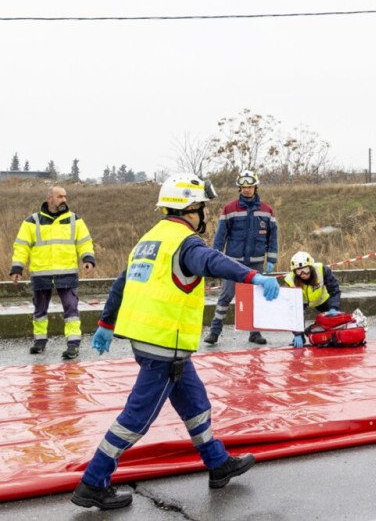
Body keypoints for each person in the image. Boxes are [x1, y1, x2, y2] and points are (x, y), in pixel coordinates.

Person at [71, 174, 280, 510]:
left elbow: (121, 284)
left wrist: (106, 323)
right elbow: (213, 261)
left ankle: (217, 464)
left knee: (196, 404)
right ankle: (93, 482)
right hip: (165, 347)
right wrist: (252, 276)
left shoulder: (149, 240)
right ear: (191, 208)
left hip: (153, 342)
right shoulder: (187, 243)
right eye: (204, 208)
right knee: (135, 419)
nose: (207, 214)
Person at [10, 186, 95, 359]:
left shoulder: (74, 220)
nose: (64, 200)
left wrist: (88, 259)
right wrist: (17, 268)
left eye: (65, 196)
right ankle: (40, 342)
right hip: (41, 274)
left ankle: (73, 344)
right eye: (59, 197)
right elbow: (21, 246)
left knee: (71, 309)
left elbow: (84, 242)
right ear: (49, 198)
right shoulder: (32, 221)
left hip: (67, 273)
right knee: (40, 310)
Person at [205, 169, 278, 346]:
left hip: (257, 262)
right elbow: (220, 236)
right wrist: (215, 258)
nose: (246, 190)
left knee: (255, 298)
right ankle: (214, 331)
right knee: (226, 296)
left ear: (255, 187)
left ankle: (255, 333)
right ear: (239, 189)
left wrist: (272, 259)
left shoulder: (267, 210)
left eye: (250, 186)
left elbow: (272, 236)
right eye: (243, 187)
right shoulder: (229, 209)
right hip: (233, 262)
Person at [283, 251, 342, 347]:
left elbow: (334, 289)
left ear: (311, 267)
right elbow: (293, 311)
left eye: (305, 270)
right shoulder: (291, 280)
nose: (303, 274)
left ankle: (312, 330)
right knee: (297, 323)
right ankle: (301, 336)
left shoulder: (322, 270)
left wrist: (334, 307)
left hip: (323, 300)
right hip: (301, 303)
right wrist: (297, 333)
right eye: (299, 271)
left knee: (334, 323)